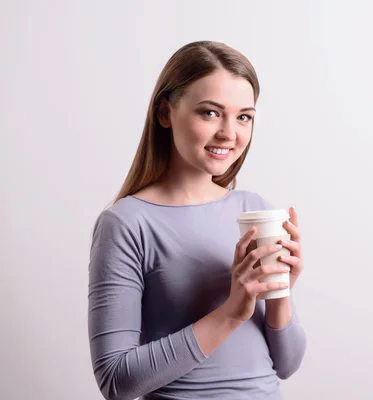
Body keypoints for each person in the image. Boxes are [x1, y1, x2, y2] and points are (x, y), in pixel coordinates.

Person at [87, 41, 306, 400]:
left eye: (243, 116)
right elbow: (116, 381)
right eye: (209, 113)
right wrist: (232, 312)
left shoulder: (253, 208)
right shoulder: (127, 223)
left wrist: (280, 292)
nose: (229, 134)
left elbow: (287, 364)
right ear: (164, 113)